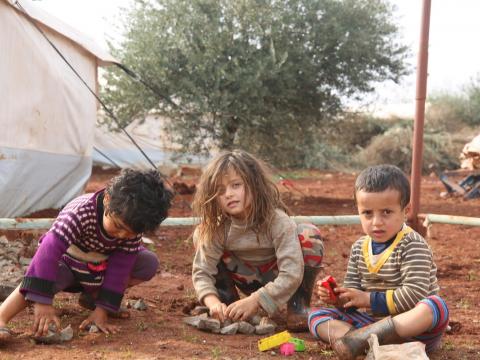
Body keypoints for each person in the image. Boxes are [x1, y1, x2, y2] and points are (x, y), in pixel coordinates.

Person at [0, 169, 172, 342]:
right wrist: (42, 300)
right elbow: (49, 250)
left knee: (148, 262)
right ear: (107, 199)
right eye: (118, 226)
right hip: (67, 261)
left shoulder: (132, 224)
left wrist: (102, 310)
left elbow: (121, 267)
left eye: (129, 233)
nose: (121, 235)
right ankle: (2, 317)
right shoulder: (80, 212)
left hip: (99, 267)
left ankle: (95, 298)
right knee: (40, 277)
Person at [308, 164, 449, 359]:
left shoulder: (412, 244)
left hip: (412, 330)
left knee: (435, 306)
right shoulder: (359, 247)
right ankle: (363, 342)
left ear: (405, 211)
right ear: (358, 211)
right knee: (317, 317)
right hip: (371, 323)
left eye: (386, 212)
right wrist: (338, 298)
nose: (376, 222)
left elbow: (415, 294)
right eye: (367, 213)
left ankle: (363, 341)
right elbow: (352, 295)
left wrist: (367, 299)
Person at [191, 150, 324, 331]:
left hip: (279, 279)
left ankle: (298, 307)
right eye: (220, 190)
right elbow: (202, 272)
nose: (228, 194)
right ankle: (228, 305)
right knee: (203, 232)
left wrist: (256, 300)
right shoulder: (219, 229)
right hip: (244, 277)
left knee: (309, 234)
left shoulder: (277, 221)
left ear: (254, 184)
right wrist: (212, 302)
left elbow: (291, 273)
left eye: (236, 185)